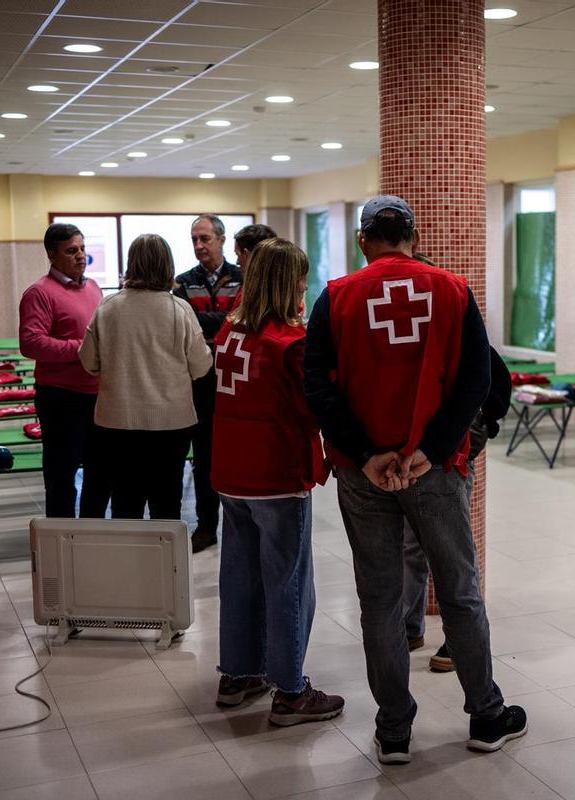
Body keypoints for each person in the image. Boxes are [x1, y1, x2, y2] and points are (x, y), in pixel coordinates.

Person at [304, 196, 527, 764]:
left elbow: (319, 388)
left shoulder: (335, 297)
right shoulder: (452, 290)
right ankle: (485, 715)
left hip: (363, 473)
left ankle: (395, 729)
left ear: (362, 242)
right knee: (459, 592)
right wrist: (428, 449)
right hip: (435, 469)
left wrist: (368, 452)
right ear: (413, 234)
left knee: (380, 602)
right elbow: (479, 378)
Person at [209, 238, 344, 726]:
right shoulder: (291, 343)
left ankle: (240, 674)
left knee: (240, 578)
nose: (306, 286)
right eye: (302, 278)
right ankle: (290, 691)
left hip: (231, 474)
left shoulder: (230, 331)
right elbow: (314, 408)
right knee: (288, 582)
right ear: (289, 283)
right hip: (277, 476)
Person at [79, 234, 212, 520]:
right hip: (171, 425)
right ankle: (165, 565)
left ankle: (129, 564)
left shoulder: (108, 307)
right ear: (167, 265)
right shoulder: (179, 309)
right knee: (166, 505)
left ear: (131, 264)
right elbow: (201, 367)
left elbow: (88, 361)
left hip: (118, 423)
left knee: (126, 504)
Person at [403, 337, 513, 673]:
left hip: (451, 457)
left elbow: (497, 377)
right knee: (410, 545)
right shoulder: (404, 334)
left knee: (453, 553)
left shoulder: (455, 322)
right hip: (408, 453)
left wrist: (484, 423)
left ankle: (458, 640)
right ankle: (409, 627)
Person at [19, 222, 108, 518]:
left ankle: (91, 533)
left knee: (99, 475)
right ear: (52, 255)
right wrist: (82, 348)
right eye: (71, 250)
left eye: (82, 248)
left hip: (96, 396)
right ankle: (61, 539)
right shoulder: (39, 293)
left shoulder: (93, 287)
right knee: (61, 477)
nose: (80, 255)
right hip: (61, 398)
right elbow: (31, 343)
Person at [174, 215, 243, 553]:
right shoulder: (183, 282)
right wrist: (224, 319)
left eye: (205, 239)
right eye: (194, 240)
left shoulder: (243, 277)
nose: (199, 246)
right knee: (203, 457)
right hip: (199, 380)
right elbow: (184, 323)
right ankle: (206, 526)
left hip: (237, 379)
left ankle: (239, 523)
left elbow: (240, 318)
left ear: (221, 239)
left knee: (236, 455)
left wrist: (207, 321)